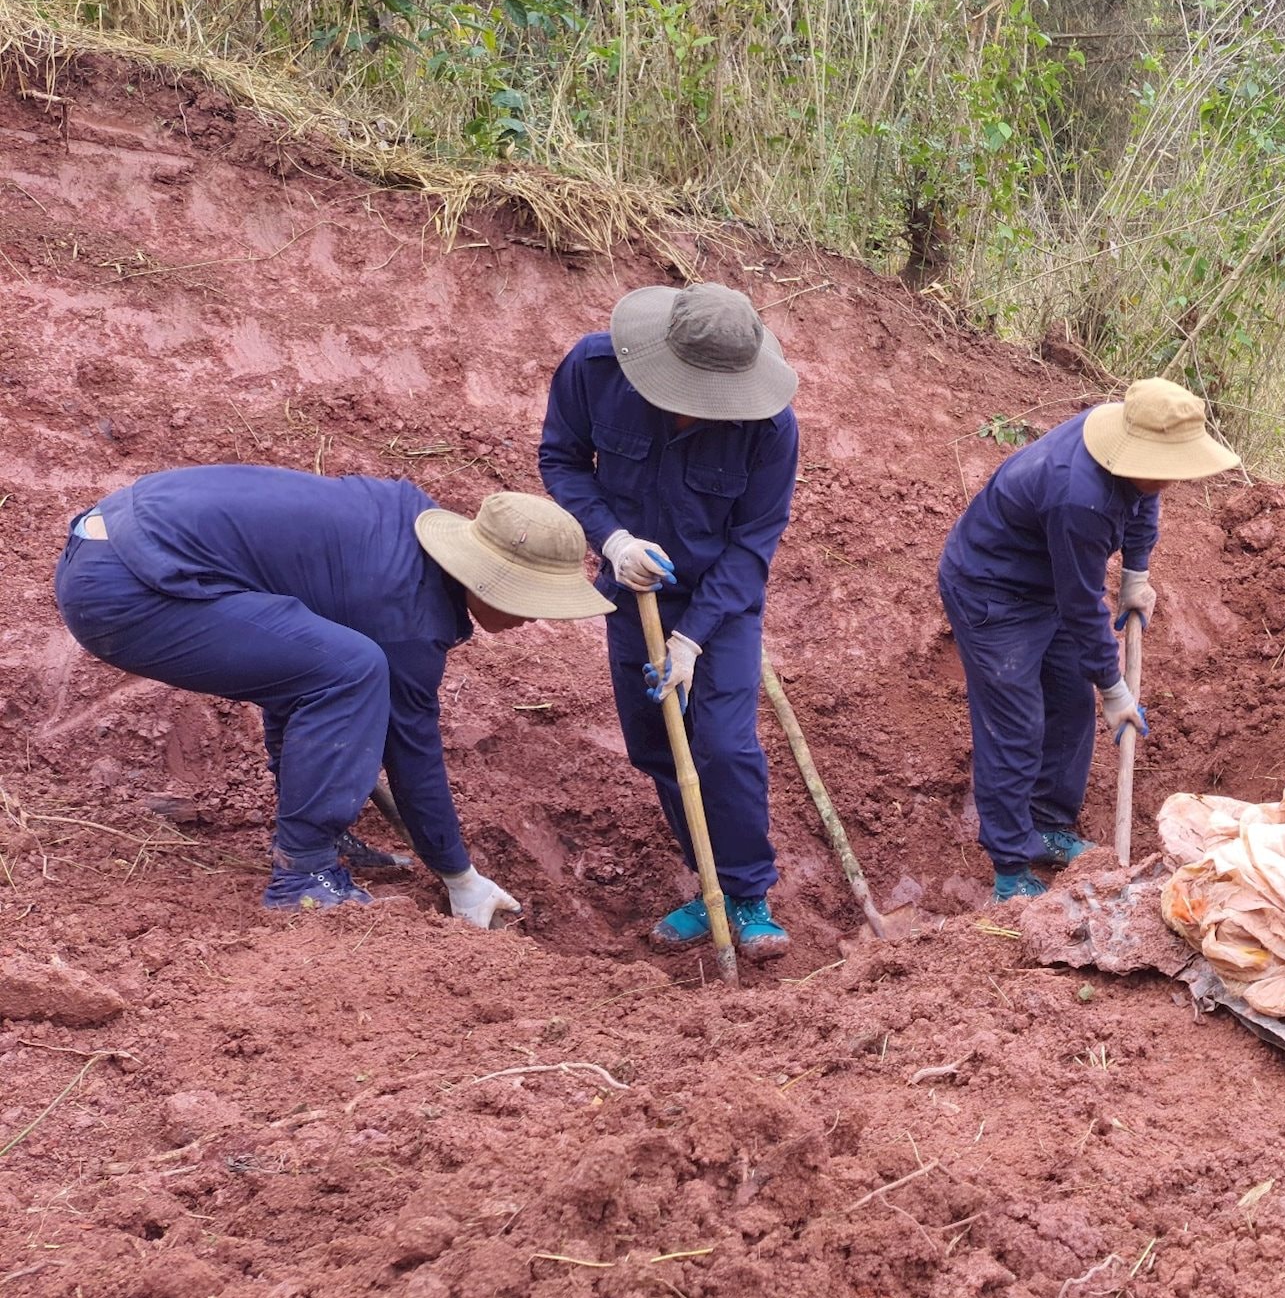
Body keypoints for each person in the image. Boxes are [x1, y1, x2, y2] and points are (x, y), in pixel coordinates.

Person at [52, 466, 611, 921]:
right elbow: (411, 751)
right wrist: (457, 874)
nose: (537, 616)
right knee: (351, 669)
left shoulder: (402, 524)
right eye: (531, 597)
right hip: (126, 589)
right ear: (487, 577)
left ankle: (316, 835)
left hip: (121, 534)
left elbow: (296, 673)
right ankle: (305, 876)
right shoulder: (403, 615)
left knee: (322, 665)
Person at [539, 283, 801, 961]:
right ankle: (706, 880)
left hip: (721, 604)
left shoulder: (771, 429)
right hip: (632, 591)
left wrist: (691, 639)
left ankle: (746, 894)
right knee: (657, 745)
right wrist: (613, 539)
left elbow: (752, 546)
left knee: (723, 745)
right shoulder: (594, 369)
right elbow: (562, 460)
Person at [939, 378, 1237, 901]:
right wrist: (1116, 688)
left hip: (1047, 581)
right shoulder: (1081, 498)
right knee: (1016, 727)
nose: (1174, 478)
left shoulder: (1127, 449)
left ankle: (1048, 826)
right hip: (994, 591)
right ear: (1137, 453)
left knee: (1071, 703)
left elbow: (1145, 500)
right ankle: (1010, 870)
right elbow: (1081, 607)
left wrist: (1135, 574)